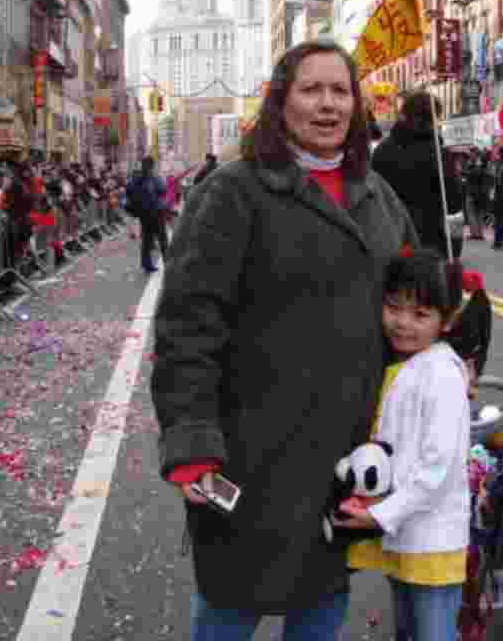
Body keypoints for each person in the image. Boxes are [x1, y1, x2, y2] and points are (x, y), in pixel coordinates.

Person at [150, 40, 418, 641]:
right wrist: (192, 441)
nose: (328, 105)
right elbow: (188, 327)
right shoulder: (231, 192)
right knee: (231, 603)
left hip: (344, 452)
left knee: (323, 599)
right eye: (312, 89)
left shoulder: (376, 195)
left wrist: (459, 319)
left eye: (340, 91)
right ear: (281, 101)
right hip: (251, 450)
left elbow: (414, 289)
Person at [341, 248, 471, 641]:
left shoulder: (440, 376)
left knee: (431, 632)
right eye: (394, 307)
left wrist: (382, 514)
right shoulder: (409, 364)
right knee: (410, 630)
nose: (402, 323)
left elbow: (438, 469)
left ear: (446, 321)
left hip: (432, 540)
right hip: (406, 535)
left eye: (420, 314)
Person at [372, 91, 463, 256]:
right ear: (432, 118)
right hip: (432, 241)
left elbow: (374, 198)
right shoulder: (439, 154)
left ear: (404, 115)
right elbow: (453, 201)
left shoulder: (382, 151)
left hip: (391, 237)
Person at [129, 156, 169, 273]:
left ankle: (146, 264)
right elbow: (162, 190)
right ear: (152, 165)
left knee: (147, 239)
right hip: (156, 212)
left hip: (143, 213)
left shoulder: (136, 178)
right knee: (162, 239)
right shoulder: (154, 177)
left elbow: (129, 190)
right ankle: (168, 263)